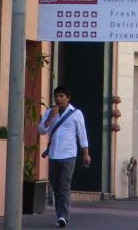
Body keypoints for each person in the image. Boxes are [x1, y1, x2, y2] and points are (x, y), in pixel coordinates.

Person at [38, 86, 90, 228]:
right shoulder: (50, 112)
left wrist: (86, 154)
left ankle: (63, 216)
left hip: (68, 155)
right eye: (56, 96)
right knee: (55, 186)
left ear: (68, 98)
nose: (58, 99)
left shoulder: (76, 114)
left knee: (64, 186)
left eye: (61, 96)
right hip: (53, 155)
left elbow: (82, 135)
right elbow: (41, 130)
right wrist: (49, 118)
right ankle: (60, 214)